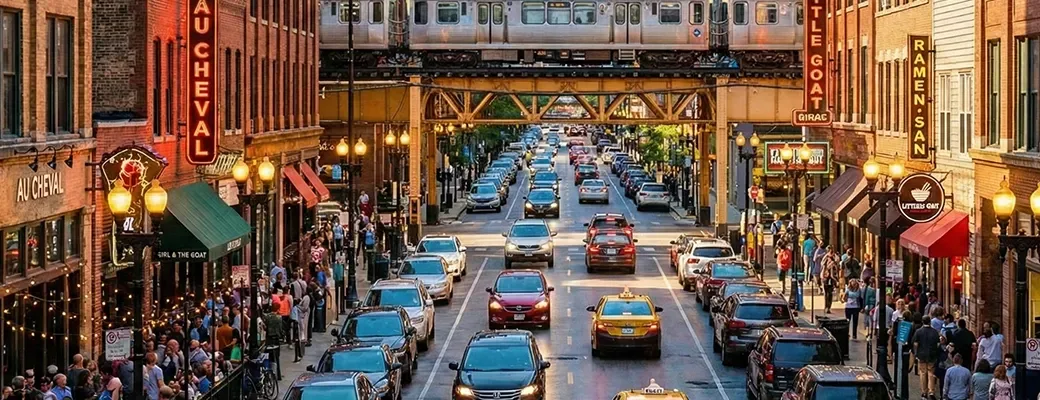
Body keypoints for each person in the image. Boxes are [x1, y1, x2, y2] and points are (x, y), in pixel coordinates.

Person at [912, 317, 942, 399]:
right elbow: (938, 344)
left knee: (922, 373)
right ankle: (931, 391)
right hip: (932, 355)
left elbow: (915, 344)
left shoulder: (918, 331)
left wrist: (916, 353)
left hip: (921, 355)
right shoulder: (934, 332)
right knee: (931, 373)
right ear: (929, 322)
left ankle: (924, 392)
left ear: (922, 322)